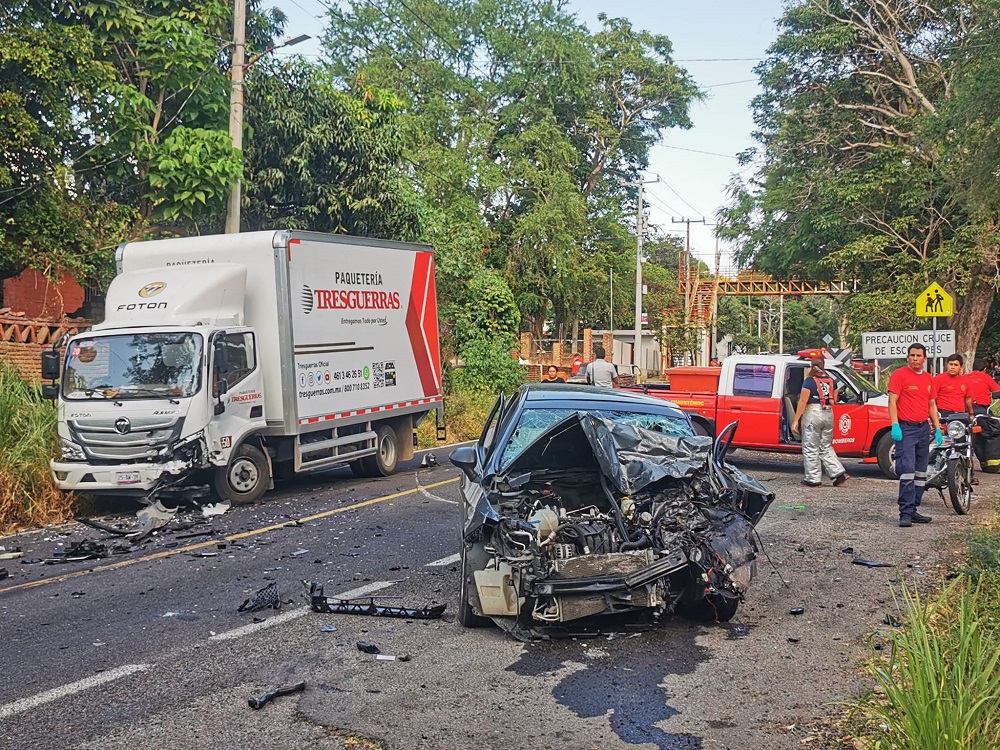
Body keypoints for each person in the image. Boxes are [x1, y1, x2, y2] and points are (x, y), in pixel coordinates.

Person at [888, 343, 942, 528]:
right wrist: (895, 424)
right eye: (912, 355)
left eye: (919, 355)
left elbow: (932, 405)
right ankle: (905, 513)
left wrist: (937, 428)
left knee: (920, 473)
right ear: (907, 357)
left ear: (925, 359)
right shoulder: (899, 375)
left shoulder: (928, 379)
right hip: (906, 429)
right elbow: (892, 401)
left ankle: (913, 509)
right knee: (907, 471)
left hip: (923, 429)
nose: (915, 358)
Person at [790, 356, 848, 488]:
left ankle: (813, 479)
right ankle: (838, 473)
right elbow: (835, 398)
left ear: (811, 366)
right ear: (823, 365)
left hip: (813, 413)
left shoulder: (809, 382)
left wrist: (796, 420)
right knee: (825, 446)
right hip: (828, 414)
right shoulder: (831, 381)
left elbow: (803, 401)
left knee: (811, 447)